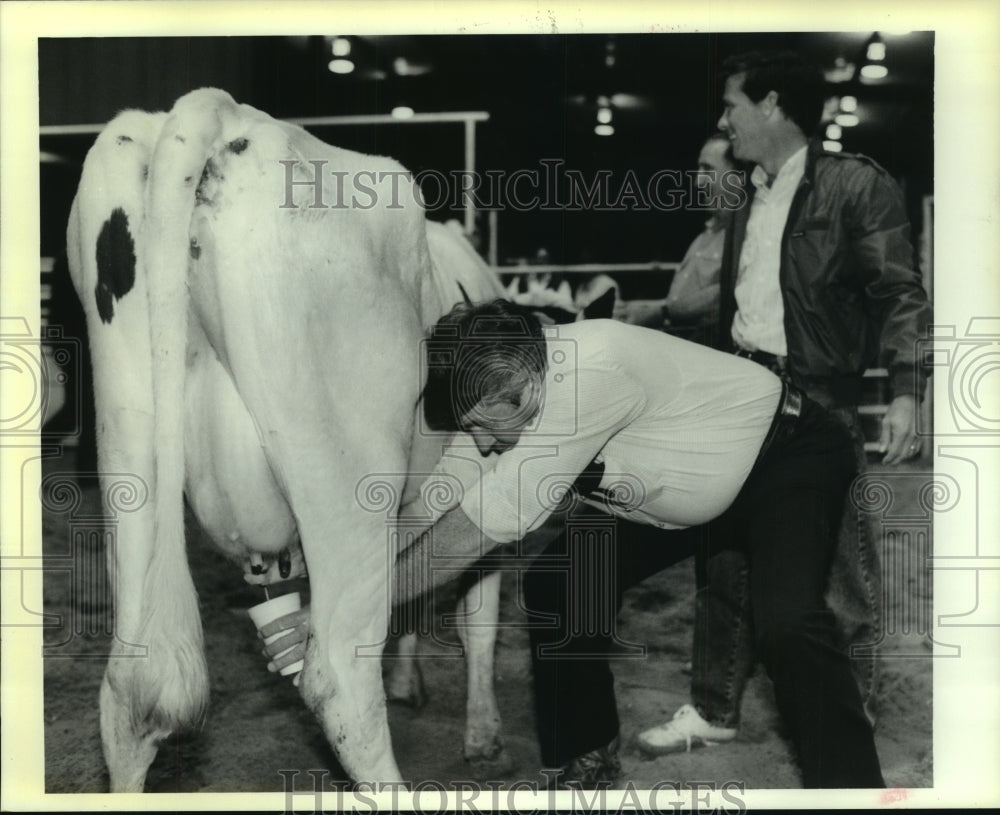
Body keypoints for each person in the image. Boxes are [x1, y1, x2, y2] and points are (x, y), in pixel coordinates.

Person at [379, 298, 883, 789]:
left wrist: (366, 606)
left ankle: (855, 790)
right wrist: (351, 576)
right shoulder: (504, 378)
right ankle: (588, 761)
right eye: (472, 429)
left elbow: (482, 524)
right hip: (676, 488)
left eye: (487, 427)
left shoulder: (590, 370)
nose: (484, 443)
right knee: (559, 583)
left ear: (525, 389)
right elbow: (438, 499)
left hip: (787, 455)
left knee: (789, 623)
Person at [636, 50, 932, 756]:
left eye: (732, 104)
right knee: (724, 558)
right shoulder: (750, 197)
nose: (722, 120)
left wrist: (906, 392)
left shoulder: (854, 185)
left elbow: (899, 293)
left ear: (771, 104)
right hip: (743, 396)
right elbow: (737, 308)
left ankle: (845, 715)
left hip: (820, 401)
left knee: (840, 573)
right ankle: (714, 707)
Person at [614, 132, 740, 346]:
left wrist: (661, 312)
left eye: (708, 169)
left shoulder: (743, 235)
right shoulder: (706, 234)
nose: (698, 181)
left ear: (736, 175)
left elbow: (729, 294)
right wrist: (639, 309)